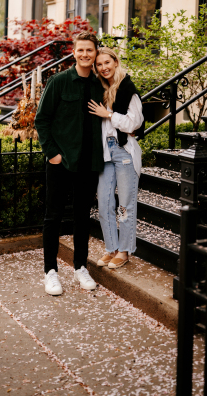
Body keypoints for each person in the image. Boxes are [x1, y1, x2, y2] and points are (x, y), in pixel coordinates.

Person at [35, 31, 105, 295]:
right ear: (74, 53)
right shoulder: (59, 82)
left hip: (89, 162)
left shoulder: (101, 85)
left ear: (95, 53)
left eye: (90, 50)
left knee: (82, 217)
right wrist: (52, 153)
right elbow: (42, 120)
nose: (86, 54)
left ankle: (80, 267)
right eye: (81, 50)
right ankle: (50, 271)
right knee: (53, 216)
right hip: (60, 162)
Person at [88, 47, 144, 269]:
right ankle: (111, 248)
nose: (104, 68)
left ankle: (124, 250)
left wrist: (109, 114)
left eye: (107, 63)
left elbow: (134, 123)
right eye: (99, 65)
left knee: (125, 206)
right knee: (104, 204)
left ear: (115, 62)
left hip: (123, 151)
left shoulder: (127, 89)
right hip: (104, 152)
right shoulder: (100, 90)